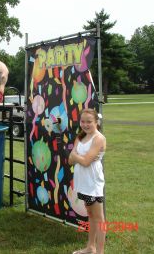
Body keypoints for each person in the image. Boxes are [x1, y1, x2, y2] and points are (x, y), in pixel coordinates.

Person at [68, 108, 106, 254]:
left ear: (96, 122)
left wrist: (76, 156)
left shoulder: (99, 138)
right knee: (90, 214)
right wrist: (78, 157)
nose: (85, 124)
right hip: (82, 182)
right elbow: (70, 161)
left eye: (89, 121)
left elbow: (84, 161)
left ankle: (100, 251)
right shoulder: (81, 137)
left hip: (93, 183)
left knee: (99, 218)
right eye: (83, 121)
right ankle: (91, 247)